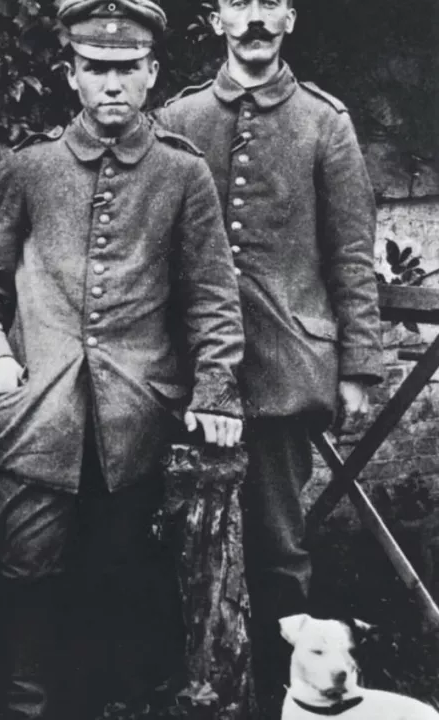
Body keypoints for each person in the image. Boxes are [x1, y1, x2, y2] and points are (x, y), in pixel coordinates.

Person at [0, 1, 245, 718]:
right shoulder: (29, 169)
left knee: (122, 581)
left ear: (151, 74)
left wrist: (214, 388)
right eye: (96, 69)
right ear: (71, 76)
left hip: (134, 419)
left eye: (126, 69)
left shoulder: (184, 175)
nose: (111, 84)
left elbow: (211, 293)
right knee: (26, 572)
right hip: (35, 419)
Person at [153, 1, 383, 716]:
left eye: (269, 3)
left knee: (278, 540)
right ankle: (193, 684)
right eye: (238, 4)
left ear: (291, 18)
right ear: (217, 18)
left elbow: (350, 254)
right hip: (185, 369)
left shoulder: (324, 122)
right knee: (179, 532)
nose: (254, 19)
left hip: (285, 366)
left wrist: (358, 367)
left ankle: (290, 700)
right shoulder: (178, 119)